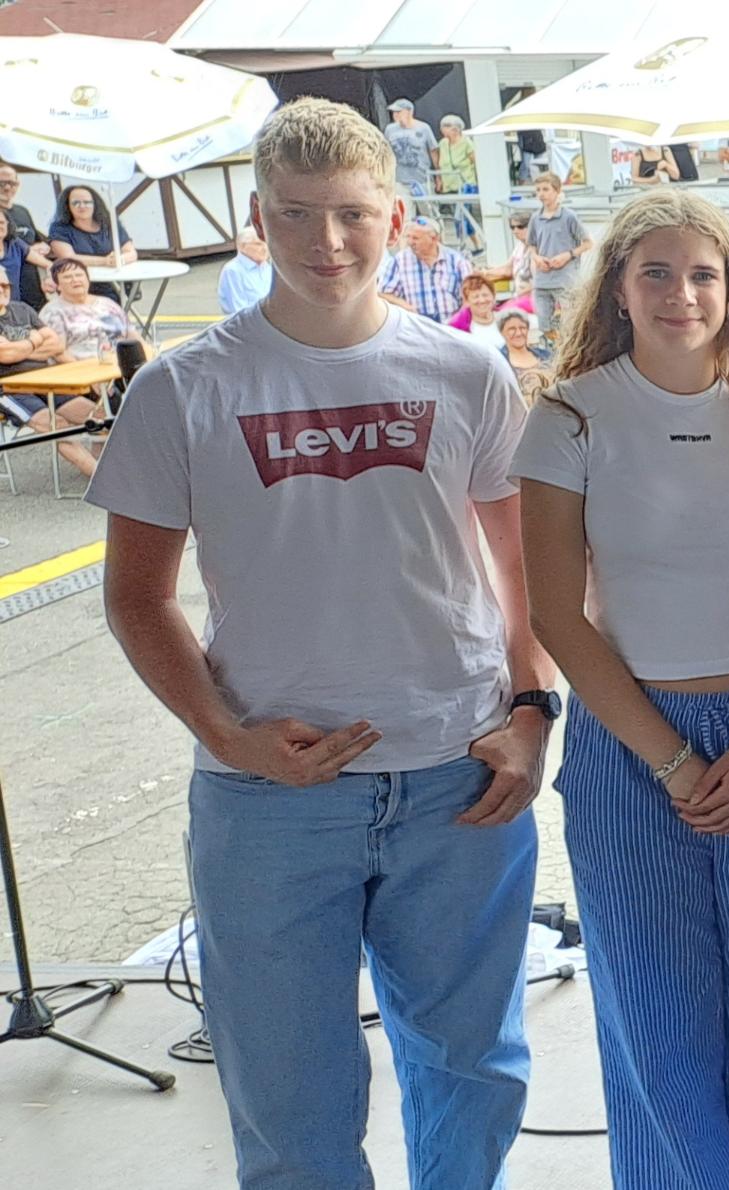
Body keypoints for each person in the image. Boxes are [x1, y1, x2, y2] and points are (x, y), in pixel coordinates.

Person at [88, 96, 552, 1190]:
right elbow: (137, 596)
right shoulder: (181, 389)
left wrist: (531, 712)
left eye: (351, 213)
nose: (326, 241)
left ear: (395, 215)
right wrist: (227, 734)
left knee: (476, 1071)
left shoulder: (467, 371)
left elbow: (527, 573)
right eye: (297, 215)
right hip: (270, 797)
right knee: (290, 1107)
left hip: (456, 779)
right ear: (259, 218)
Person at [510, 186, 729, 1187]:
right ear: (617, 284)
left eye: (703, 273)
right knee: (657, 1028)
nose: (681, 294)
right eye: (656, 271)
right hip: (625, 739)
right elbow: (558, 613)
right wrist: (672, 756)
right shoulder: (571, 417)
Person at [0, 273, 87, 475]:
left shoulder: (22, 309)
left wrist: (18, 350)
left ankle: (110, 468)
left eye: (6, 284)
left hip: (44, 380)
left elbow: (56, 343)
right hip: (9, 390)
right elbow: (5, 355)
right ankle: (103, 480)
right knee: (59, 426)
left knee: (98, 416)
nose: (3, 289)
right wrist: (34, 340)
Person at [527, 171, 593, 337]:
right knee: (543, 321)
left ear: (556, 191)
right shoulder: (535, 218)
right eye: (538, 190)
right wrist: (536, 257)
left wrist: (568, 255)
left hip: (565, 278)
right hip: (543, 278)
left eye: (545, 189)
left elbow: (588, 243)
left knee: (569, 323)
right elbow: (531, 244)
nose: (541, 194)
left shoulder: (569, 216)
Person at [48, 183, 133, 303]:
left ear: (95, 204)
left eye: (87, 202)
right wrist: (105, 261)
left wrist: (119, 259)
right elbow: (69, 257)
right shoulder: (59, 228)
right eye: (76, 203)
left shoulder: (110, 223)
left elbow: (131, 252)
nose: (82, 206)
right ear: (67, 206)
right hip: (80, 286)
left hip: (116, 284)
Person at [38, 259, 135, 361]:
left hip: (121, 361)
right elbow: (58, 352)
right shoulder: (52, 312)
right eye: (67, 277)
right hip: (82, 368)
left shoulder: (107, 303)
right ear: (57, 286)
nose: (75, 280)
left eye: (79, 275)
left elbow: (132, 335)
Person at [380, 219, 473, 323]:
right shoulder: (399, 261)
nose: (410, 242)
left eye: (416, 238)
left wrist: (457, 322)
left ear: (434, 239)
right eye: (408, 237)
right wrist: (405, 306)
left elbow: (472, 296)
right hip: (418, 328)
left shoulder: (456, 260)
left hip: (453, 327)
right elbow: (383, 295)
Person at [0, 164, 52, 307]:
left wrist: (43, 246)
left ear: (18, 184)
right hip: (6, 290)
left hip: (32, 288)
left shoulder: (22, 211)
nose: (7, 188)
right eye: (2, 183)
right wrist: (28, 249)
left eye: (12, 183)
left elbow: (39, 240)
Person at [432, 114, 485, 252]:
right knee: (456, 217)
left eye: (445, 127)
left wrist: (480, 182)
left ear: (455, 129)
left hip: (465, 184)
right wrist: (439, 180)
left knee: (462, 216)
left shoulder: (466, 142)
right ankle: (467, 245)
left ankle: (473, 244)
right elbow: (439, 162)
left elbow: (476, 162)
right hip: (449, 184)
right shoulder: (443, 143)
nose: (442, 129)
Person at [383, 98, 438, 196]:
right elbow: (386, 152)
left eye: (399, 112)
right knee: (405, 210)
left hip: (423, 180)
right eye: (394, 112)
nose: (395, 115)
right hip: (400, 181)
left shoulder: (424, 128)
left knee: (427, 209)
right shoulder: (389, 129)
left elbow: (433, 151)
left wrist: (438, 175)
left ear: (409, 112)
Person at [218, 227, 274, 315]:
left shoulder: (269, 267)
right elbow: (237, 310)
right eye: (258, 244)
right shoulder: (233, 271)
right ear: (242, 246)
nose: (265, 248)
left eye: (266, 243)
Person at [449, 274, 506, 351]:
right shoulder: (457, 327)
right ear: (467, 301)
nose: (482, 300)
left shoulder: (505, 317)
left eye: (485, 295)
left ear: (493, 296)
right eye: (475, 297)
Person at [497, 307, 548, 381]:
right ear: (501, 332)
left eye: (522, 328)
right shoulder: (499, 362)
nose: (518, 333)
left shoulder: (545, 354)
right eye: (512, 329)